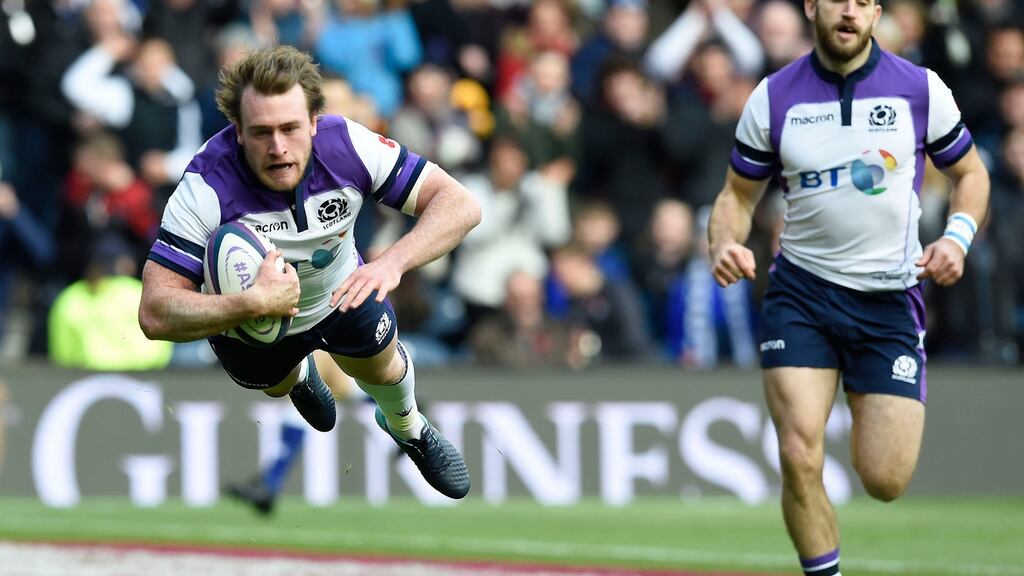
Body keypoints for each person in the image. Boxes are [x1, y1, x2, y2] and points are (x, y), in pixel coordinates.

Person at [707, 0, 990, 574]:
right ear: (812, 5)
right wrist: (724, 242)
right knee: (797, 451)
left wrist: (956, 239)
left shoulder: (920, 88)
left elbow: (970, 175)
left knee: (885, 479)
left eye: (864, 2)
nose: (850, 11)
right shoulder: (773, 96)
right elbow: (737, 195)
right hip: (801, 295)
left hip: (889, 300)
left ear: (877, 12)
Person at [138, 45, 480, 500]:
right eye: (261, 132)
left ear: (315, 121)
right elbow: (154, 312)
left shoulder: (349, 146)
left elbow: (461, 203)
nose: (278, 147)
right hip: (252, 322)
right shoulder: (205, 186)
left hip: (342, 292)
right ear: (237, 131)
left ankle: (409, 426)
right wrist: (251, 303)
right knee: (277, 385)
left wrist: (392, 263)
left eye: (290, 128)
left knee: (381, 367)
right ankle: (299, 377)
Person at [226, 350, 374, 514]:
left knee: (312, 373)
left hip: (371, 364)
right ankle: (269, 482)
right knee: (302, 390)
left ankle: (269, 483)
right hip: (365, 372)